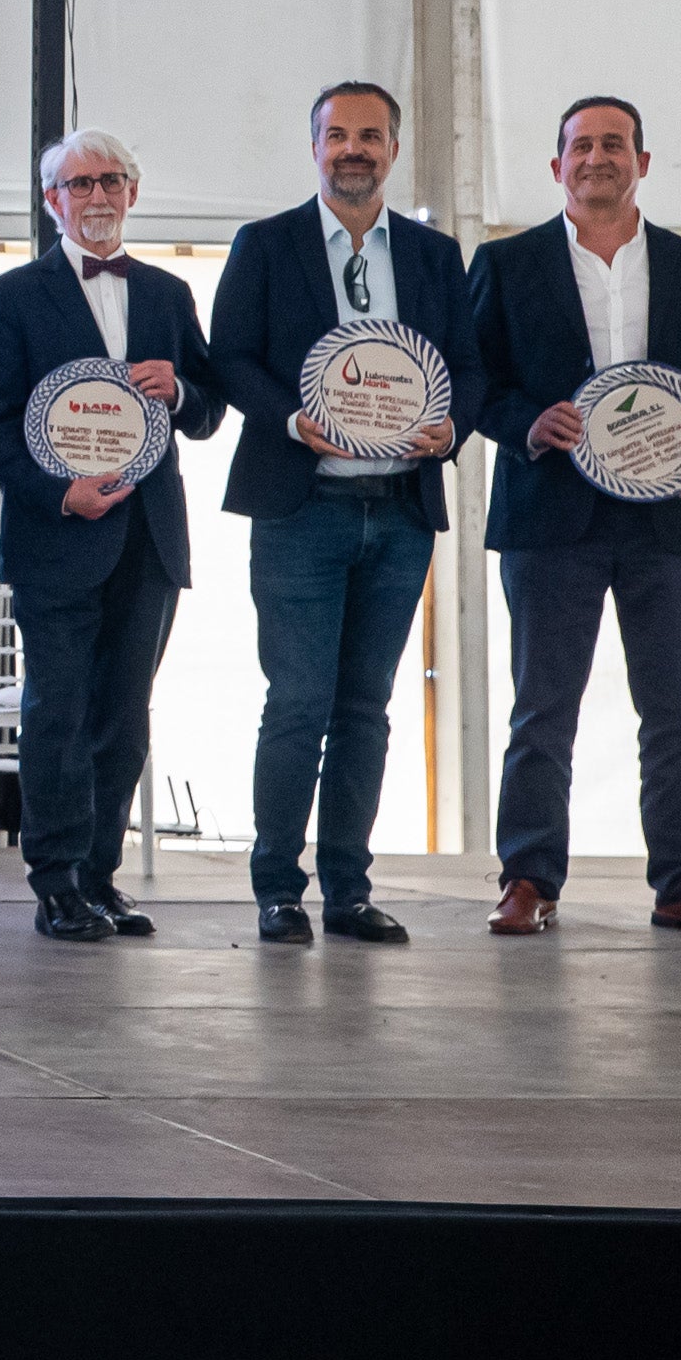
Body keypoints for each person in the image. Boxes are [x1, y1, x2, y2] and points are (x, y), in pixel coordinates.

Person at [468, 97, 681, 938]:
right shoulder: (506, 261)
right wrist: (526, 421)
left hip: (668, 520)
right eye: (581, 145)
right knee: (543, 708)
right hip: (547, 515)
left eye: (614, 144)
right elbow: (471, 377)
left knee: (674, 709)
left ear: (643, 160)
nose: (598, 157)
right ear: (556, 165)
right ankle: (528, 878)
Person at [210, 81, 482, 946]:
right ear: (314, 145)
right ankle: (276, 890)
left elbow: (470, 370)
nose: (353, 148)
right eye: (337, 134)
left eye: (370, 134)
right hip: (301, 507)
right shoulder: (266, 244)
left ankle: (349, 891)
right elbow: (231, 360)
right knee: (297, 702)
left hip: (399, 510)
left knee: (367, 707)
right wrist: (293, 417)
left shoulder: (437, 256)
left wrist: (451, 427)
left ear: (395, 149)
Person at [0, 130, 224, 941]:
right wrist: (58, 494)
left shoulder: (167, 292)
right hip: (58, 536)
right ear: (52, 201)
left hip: (148, 539)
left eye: (111, 180)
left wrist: (179, 387)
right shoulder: (12, 298)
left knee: (125, 717)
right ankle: (54, 883)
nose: (98, 195)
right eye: (79, 184)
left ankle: (100, 876)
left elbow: (212, 409)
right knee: (58, 714)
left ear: (134, 192)